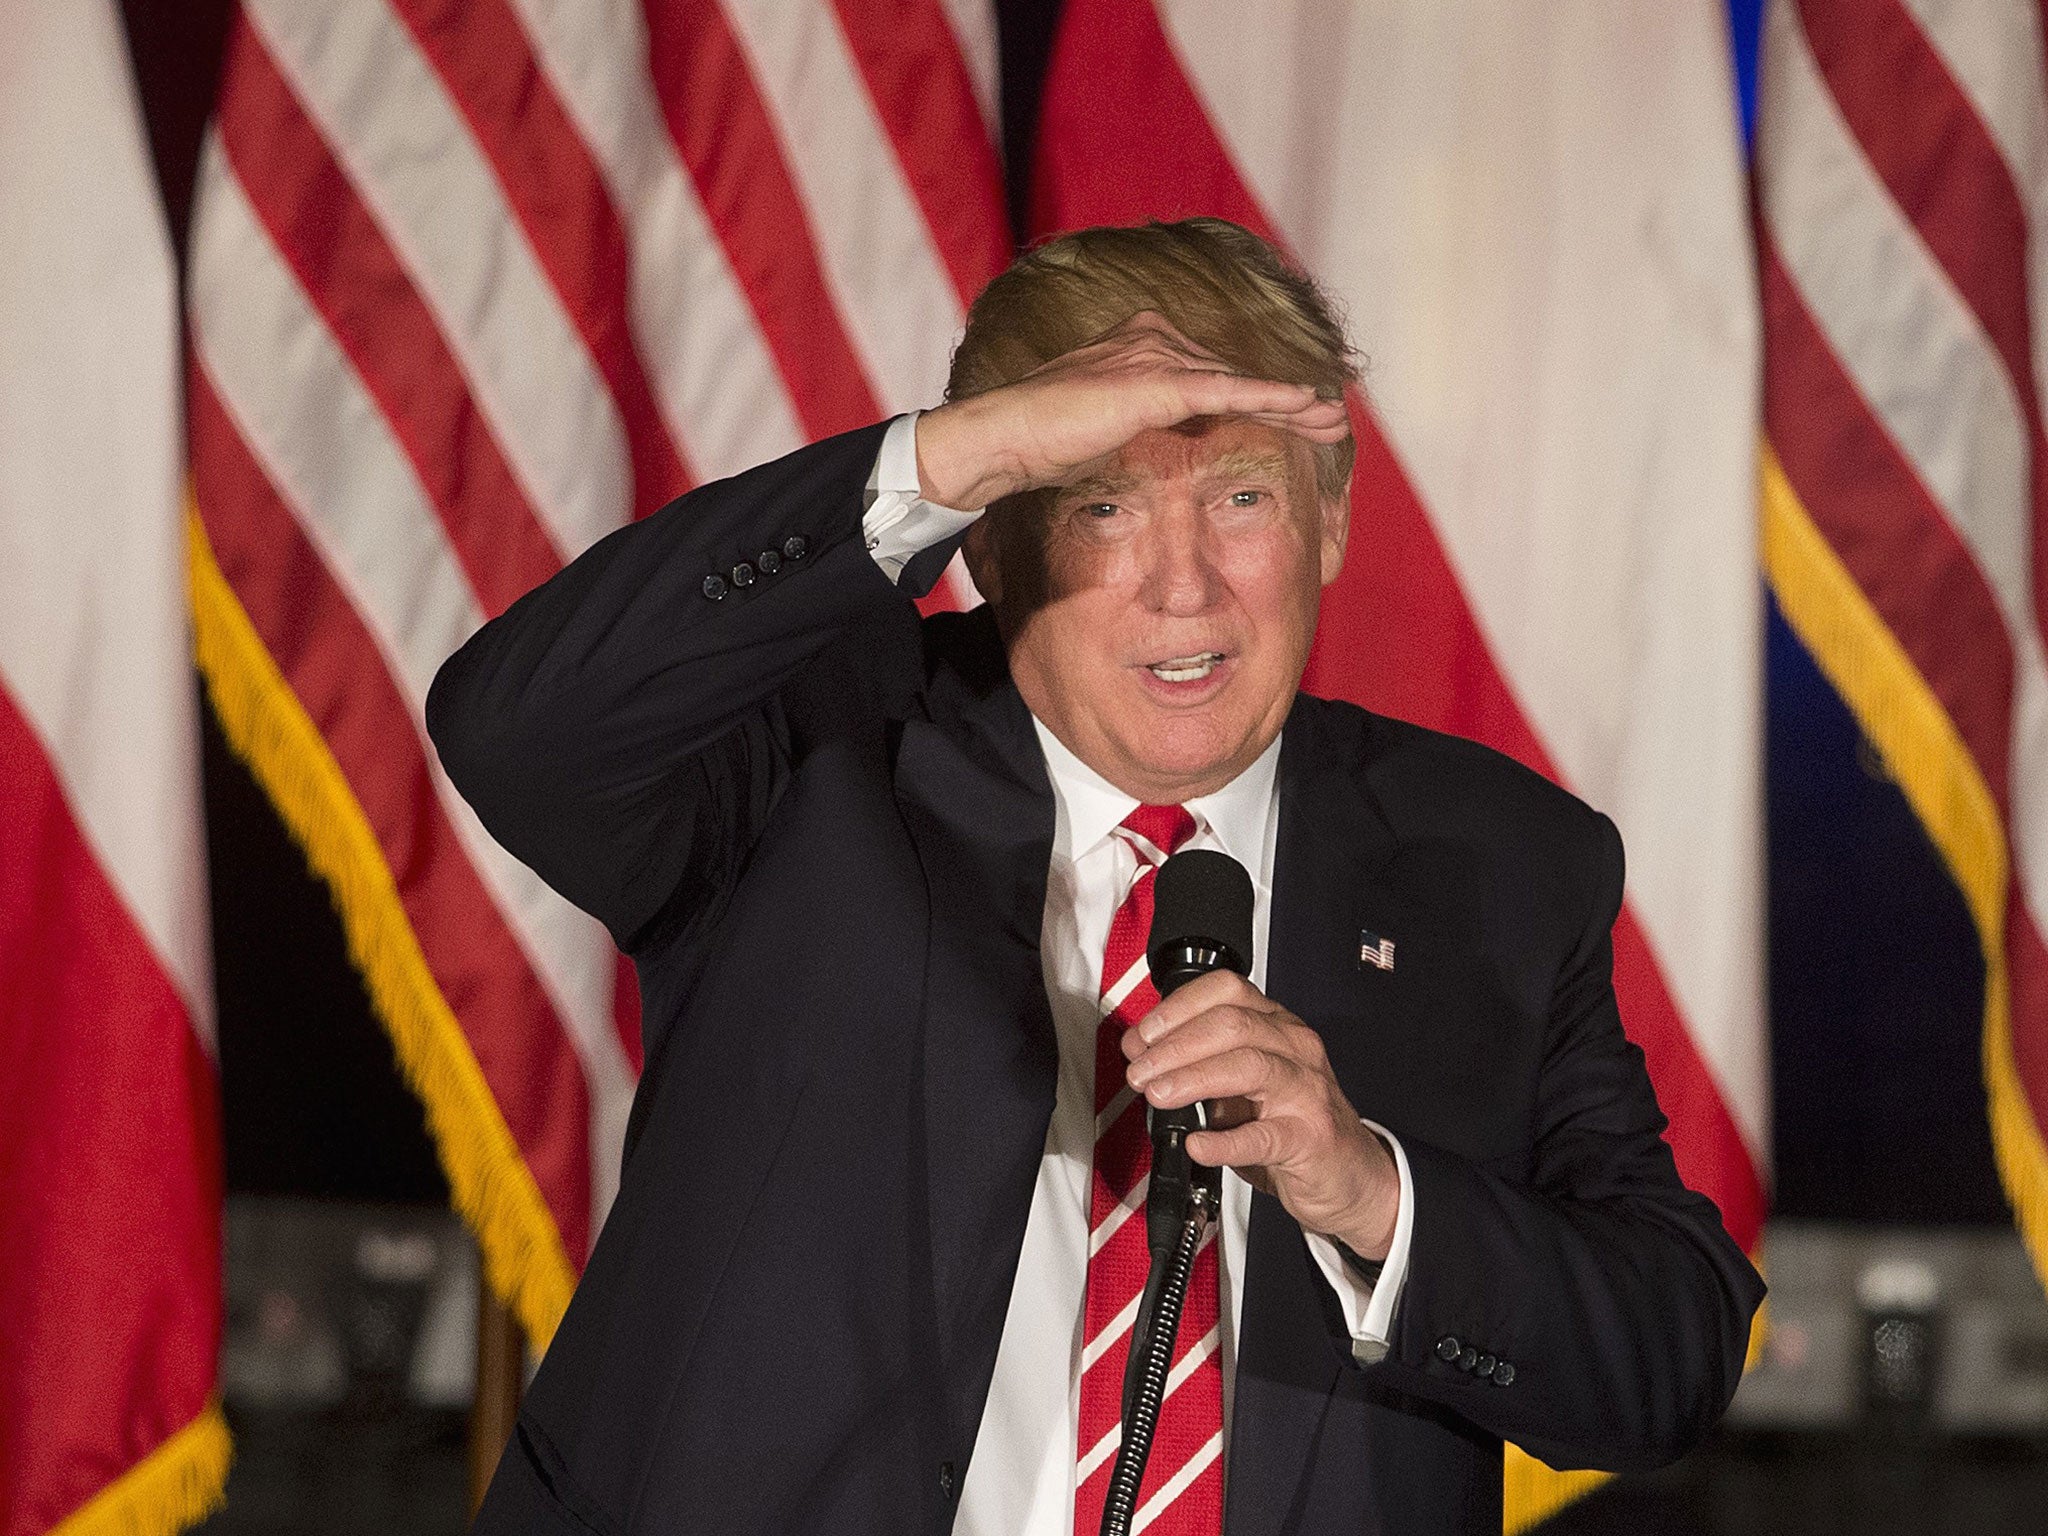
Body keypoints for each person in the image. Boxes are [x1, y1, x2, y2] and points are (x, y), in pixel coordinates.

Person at [431, 218, 1763, 1536]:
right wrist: (952, 458)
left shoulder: (1498, 863)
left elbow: (1671, 1353)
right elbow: (516, 729)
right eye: (1102, 505)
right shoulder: (815, 756)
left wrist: (1370, 1193)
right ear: (995, 544)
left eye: (1242, 496)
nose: (1185, 585)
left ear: (1332, 521)